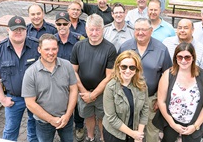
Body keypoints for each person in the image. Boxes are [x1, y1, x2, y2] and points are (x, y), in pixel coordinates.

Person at [0, 15, 39, 141]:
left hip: (35, 97)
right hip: (14, 99)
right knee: (10, 131)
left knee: (34, 128)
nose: (18, 32)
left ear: (26, 30)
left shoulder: (37, 47)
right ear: (8, 30)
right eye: (15, 29)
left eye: (21, 29)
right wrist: (2, 99)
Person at [118, 18, 172, 142]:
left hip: (151, 99)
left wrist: (160, 98)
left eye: (144, 29)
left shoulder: (161, 49)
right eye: (137, 29)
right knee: (130, 127)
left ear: (151, 31)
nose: (140, 32)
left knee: (151, 131)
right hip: (128, 97)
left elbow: (167, 76)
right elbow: (117, 72)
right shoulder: (125, 47)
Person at [22, 34, 78, 142]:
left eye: (54, 49)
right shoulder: (30, 73)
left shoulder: (67, 66)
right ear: (39, 49)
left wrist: (68, 115)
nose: (51, 53)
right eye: (46, 49)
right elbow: (29, 103)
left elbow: (74, 90)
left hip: (66, 118)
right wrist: (51, 119)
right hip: (43, 122)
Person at [70, 14, 117, 142]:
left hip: (103, 93)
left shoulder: (110, 49)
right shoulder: (78, 46)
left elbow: (110, 76)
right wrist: (84, 92)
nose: (94, 33)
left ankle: (102, 137)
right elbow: (73, 72)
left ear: (103, 30)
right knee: (88, 116)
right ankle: (90, 136)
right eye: (91, 29)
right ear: (86, 30)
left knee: (102, 117)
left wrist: (94, 94)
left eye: (97, 29)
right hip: (83, 92)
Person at [156, 42, 203, 142]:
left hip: (193, 125)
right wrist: (172, 124)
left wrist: (195, 126)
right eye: (180, 57)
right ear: (175, 58)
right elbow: (161, 101)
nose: (183, 61)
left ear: (193, 57)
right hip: (171, 125)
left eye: (187, 57)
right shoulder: (168, 74)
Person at [103, 50, 149, 142]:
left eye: (132, 68)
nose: (128, 71)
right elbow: (112, 118)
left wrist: (139, 135)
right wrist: (133, 134)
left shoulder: (142, 86)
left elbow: (145, 110)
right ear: (118, 67)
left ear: (137, 69)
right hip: (115, 134)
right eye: (124, 67)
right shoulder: (110, 87)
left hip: (135, 132)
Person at [54, 11, 85, 141]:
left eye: (65, 23)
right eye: (59, 24)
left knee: (77, 105)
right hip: (57, 81)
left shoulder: (80, 40)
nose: (62, 26)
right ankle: (62, 125)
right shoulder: (51, 40)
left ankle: (79, 126)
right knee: (60, 105)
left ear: (69, 24)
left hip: (75, 79)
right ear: (55, 25)